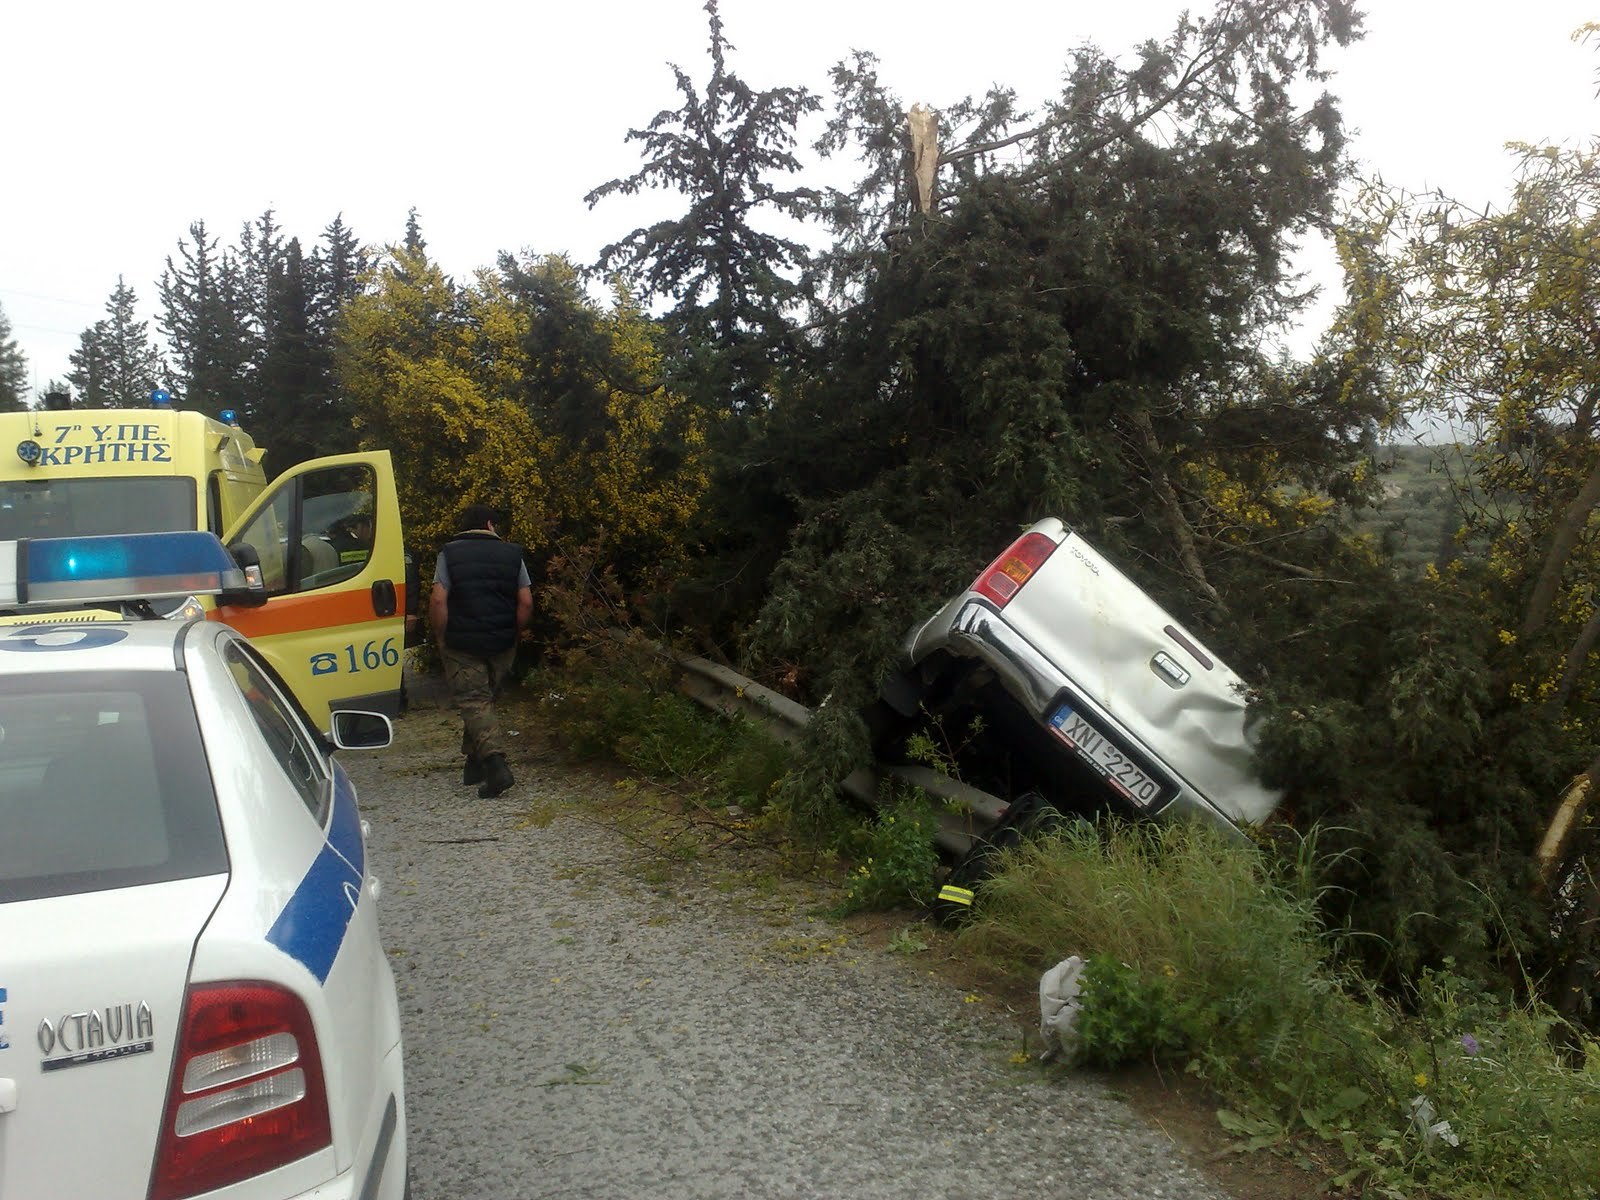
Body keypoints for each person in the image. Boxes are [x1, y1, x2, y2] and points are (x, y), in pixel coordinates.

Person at [429, 504, 532, 798]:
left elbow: (438, 600)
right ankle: (473, 763)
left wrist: (440, 636)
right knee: (484, 700)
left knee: (474, 700)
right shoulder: (513, 554)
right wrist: (516, 632)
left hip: (462, 642)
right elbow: (525, 601)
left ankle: (496, 766)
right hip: (502, 641)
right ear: (489, 524)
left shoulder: (449, 554)